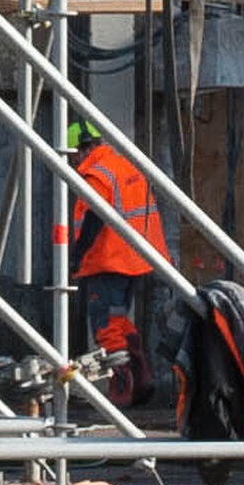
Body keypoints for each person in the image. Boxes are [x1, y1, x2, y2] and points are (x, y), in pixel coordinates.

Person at [63, 103, 174, 412]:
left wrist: (77, 256)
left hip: (107, 260)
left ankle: (125, 383)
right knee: (119, 318)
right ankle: (140, 373)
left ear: (82, 150)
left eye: (72, 155)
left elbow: (95, 218)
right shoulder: (124, 165)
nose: (72, 162)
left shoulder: (96, 174)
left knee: (106, 324)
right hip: (134, 260)